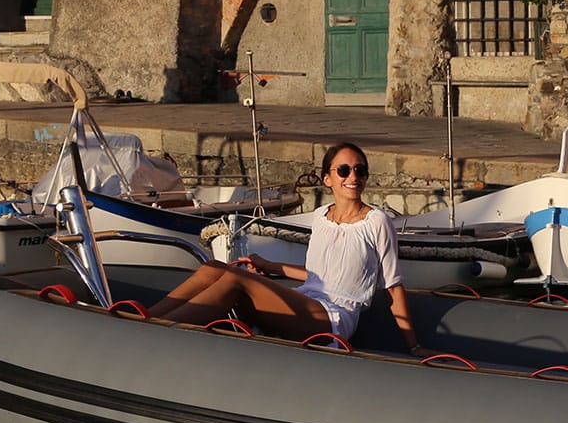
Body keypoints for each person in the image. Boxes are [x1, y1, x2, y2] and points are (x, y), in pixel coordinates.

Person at [147, 142, 425, 354]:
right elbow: (319, 274)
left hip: (333, 316)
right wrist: (270, 266)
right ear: (327, 179)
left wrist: (414, 347)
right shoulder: (321, 216)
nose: (353, 176)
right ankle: (146, 318)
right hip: (307, 299)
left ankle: (158, 332)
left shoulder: (377, 221)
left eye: (359, 170)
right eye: (344, 170)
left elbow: (393, 286)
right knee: (214, 267)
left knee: (235, 279)